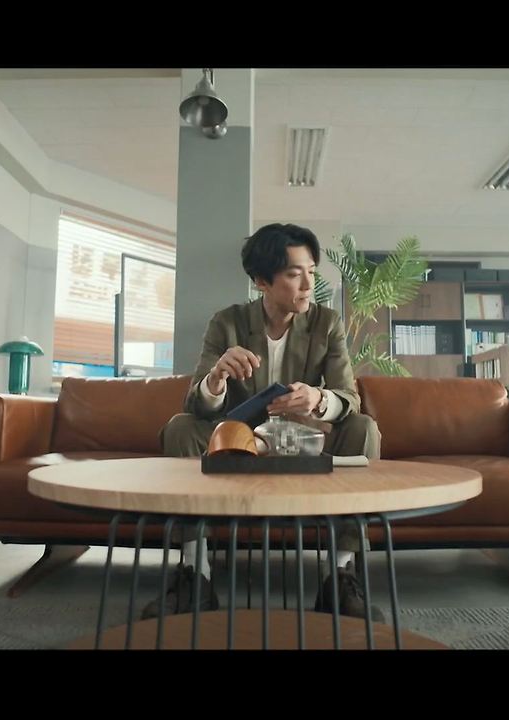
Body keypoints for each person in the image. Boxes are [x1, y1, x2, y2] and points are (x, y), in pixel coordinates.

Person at [145, 223, 382, 620]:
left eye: (311, 271)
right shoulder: (227, 323)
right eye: (294, 274)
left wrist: (319, 398)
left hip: (304, 440)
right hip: (243, 441)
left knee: (364, 429)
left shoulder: (326, 323)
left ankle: (339, 574)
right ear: (261, 281)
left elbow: (349, 398)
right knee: (180, 427)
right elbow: (196, 405)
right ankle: (195, 573)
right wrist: (216, 379)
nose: (308, 284)